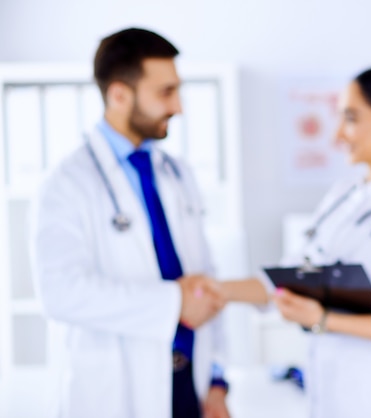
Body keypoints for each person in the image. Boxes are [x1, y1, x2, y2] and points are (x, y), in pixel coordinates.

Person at [222, 65, 371, 417]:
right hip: (328, 391)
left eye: (351, 118)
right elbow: (295, 273)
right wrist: (219, 291)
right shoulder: (345, 193)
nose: (338, 134)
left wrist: (324, 320)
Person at [30, 28, 231, 418]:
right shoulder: (67, 184)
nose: (179, 107)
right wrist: (173, 302)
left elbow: (205, 279)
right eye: (165, 92)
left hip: (191, 388)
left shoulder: (177, 173)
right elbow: (61, 292)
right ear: (119, 94)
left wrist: (218, 383)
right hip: (118, 394)